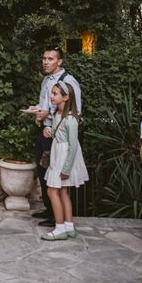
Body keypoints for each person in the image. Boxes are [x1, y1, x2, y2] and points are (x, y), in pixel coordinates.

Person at [26, 46, 81, 228]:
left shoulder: (69, 82)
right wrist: (36, 110)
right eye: (44, 58)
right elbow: (45, 104)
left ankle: (56, 218)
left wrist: (47, 116)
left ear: (59, 61)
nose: (46, 62)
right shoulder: (45, 81)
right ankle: (49, 210)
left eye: (50, 59)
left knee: (56, 179)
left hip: (58, 138)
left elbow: (74, 111)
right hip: (44, 131)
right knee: (43, 173)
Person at [41, 81, 89, 240]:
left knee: (52, 190)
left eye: (55, 94)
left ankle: (60, 227)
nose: (51, 96)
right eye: (52, 93)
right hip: (59, 153)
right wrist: (49, 130)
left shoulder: (70, 119)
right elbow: (58, 133)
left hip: (64, 156)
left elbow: (73, 145)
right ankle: (69, 226)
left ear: (66, 97)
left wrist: (66, 168)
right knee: (62, 191)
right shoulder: (58, 114)